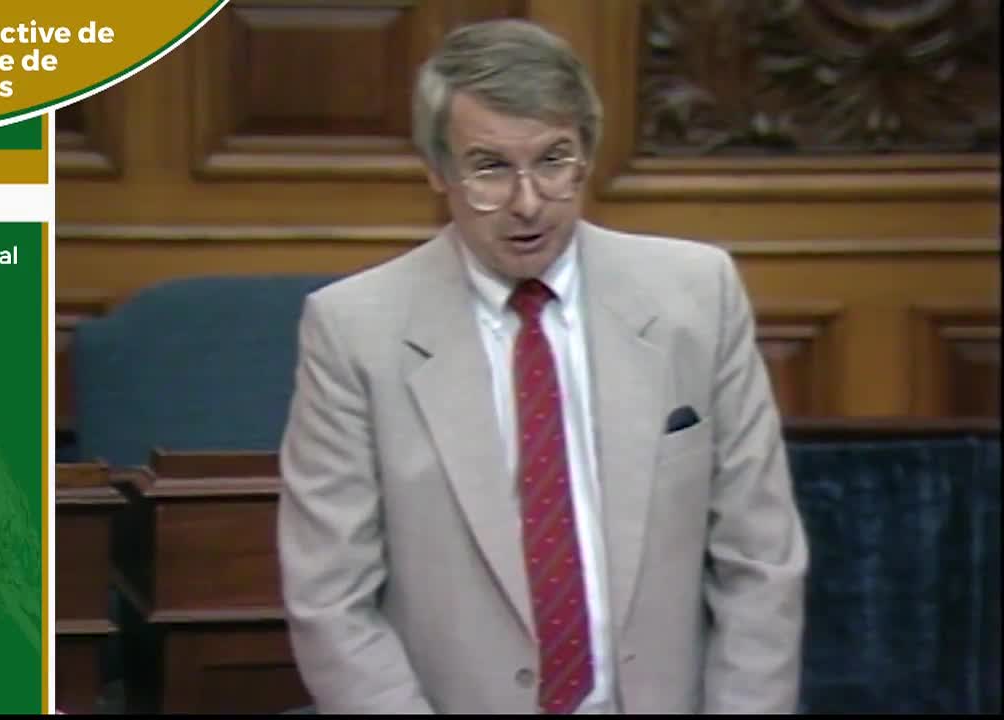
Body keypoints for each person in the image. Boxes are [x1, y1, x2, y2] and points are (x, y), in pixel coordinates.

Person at [276, 18, 808, 715]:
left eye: (553, 160)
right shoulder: (354, 331)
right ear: (438, 171)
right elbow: (331, 599)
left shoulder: (696, 296)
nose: (528, 204)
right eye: (491, 168)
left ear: (587, 154)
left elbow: (760, 561)